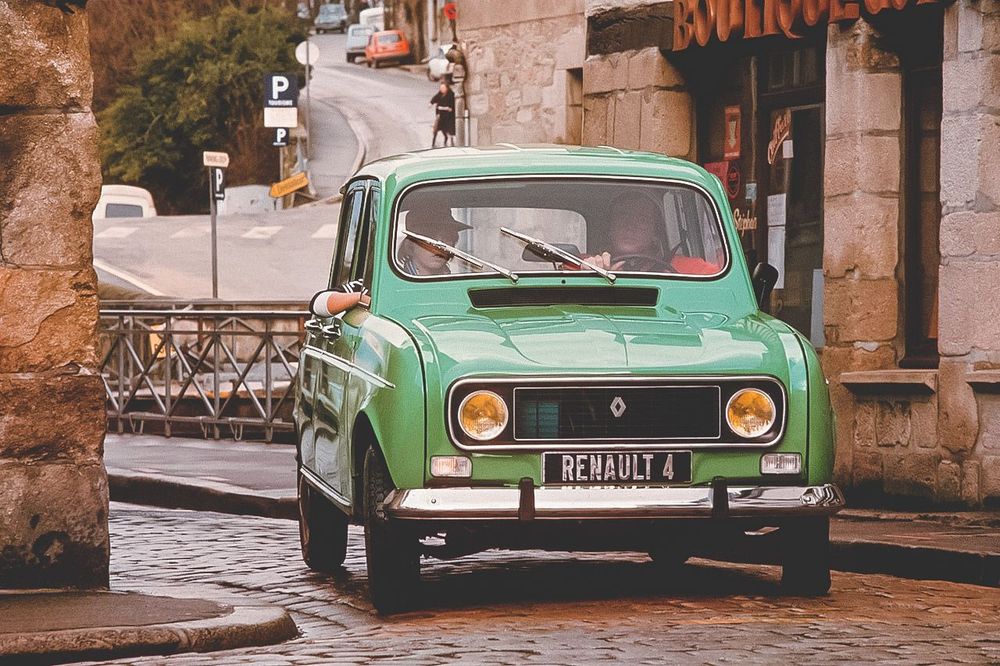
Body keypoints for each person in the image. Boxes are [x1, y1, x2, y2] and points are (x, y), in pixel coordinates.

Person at [398, 205, 471, 275]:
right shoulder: (398, 280)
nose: (439, 247)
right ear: (410, 244)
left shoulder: (454, 279)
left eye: (447, 238)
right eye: (430, 239)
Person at [430, 83, 456, 148]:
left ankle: (450, 141)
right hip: (440, 116)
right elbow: (435, 98)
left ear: (447, 88)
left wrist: (444, 108)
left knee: (449, 130)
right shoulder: (440, 94)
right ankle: (433, 143)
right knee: (436, 129)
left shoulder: (451, 95)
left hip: (448, 116)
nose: (442, 89)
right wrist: (431, 103)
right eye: (441, 88)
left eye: (443, 88)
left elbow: (451, 108)